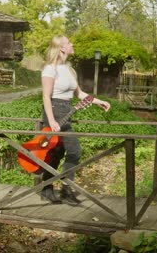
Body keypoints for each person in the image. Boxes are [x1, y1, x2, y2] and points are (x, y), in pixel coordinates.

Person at [40, 35, 111, 206]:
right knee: (75, 151)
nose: (72, 44)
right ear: (61, 48)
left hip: (67, 111)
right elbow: (46, 96)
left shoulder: (70, 69)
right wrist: (51, 120)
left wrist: (98, 101)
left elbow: (79, 94)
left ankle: (47, 189)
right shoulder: (50, 69)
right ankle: (66, 190)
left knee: (58, 153)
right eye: (69, 43)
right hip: (54, 112)